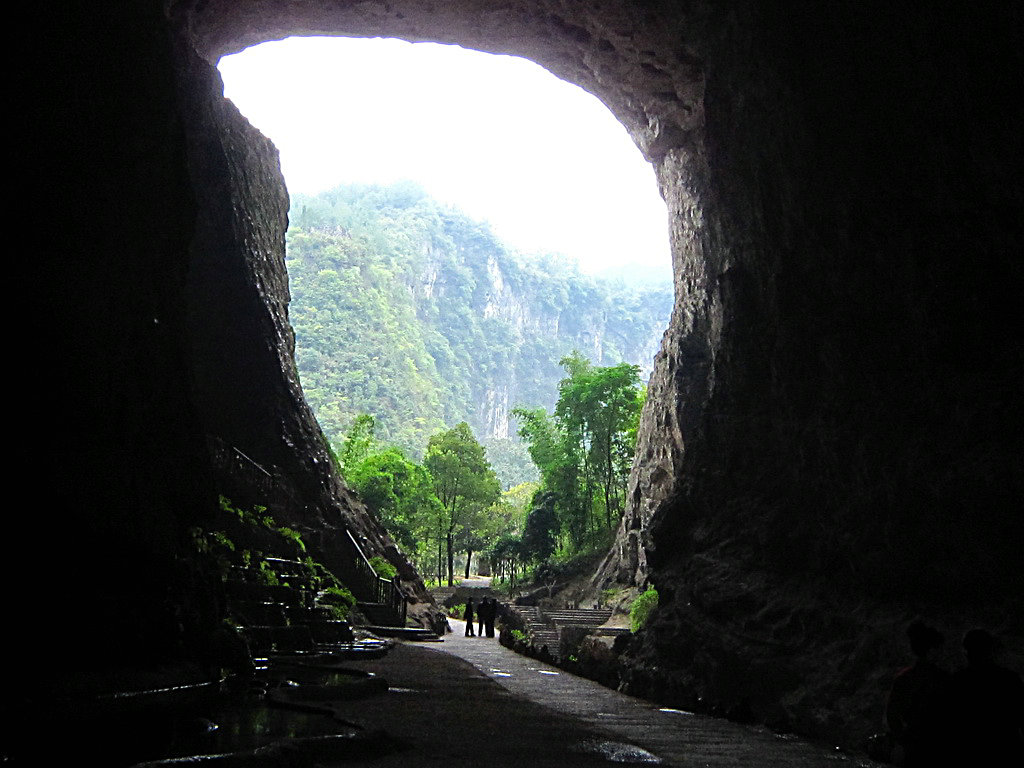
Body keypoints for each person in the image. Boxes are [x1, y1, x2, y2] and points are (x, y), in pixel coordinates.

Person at [949, 628, 1024, 766]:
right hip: (1005, 751)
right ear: (990, 650)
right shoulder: (1009, 679)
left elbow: (949, 721)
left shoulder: (957, 681)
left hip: (969, 752)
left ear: (967, 652)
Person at [886, 620, 950, 766]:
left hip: (912, 741)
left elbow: (892, 714)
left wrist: (902, 739)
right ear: (931, 650)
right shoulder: (942, 679)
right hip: (935, 743)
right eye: (939, 648)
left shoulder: (904, 678)